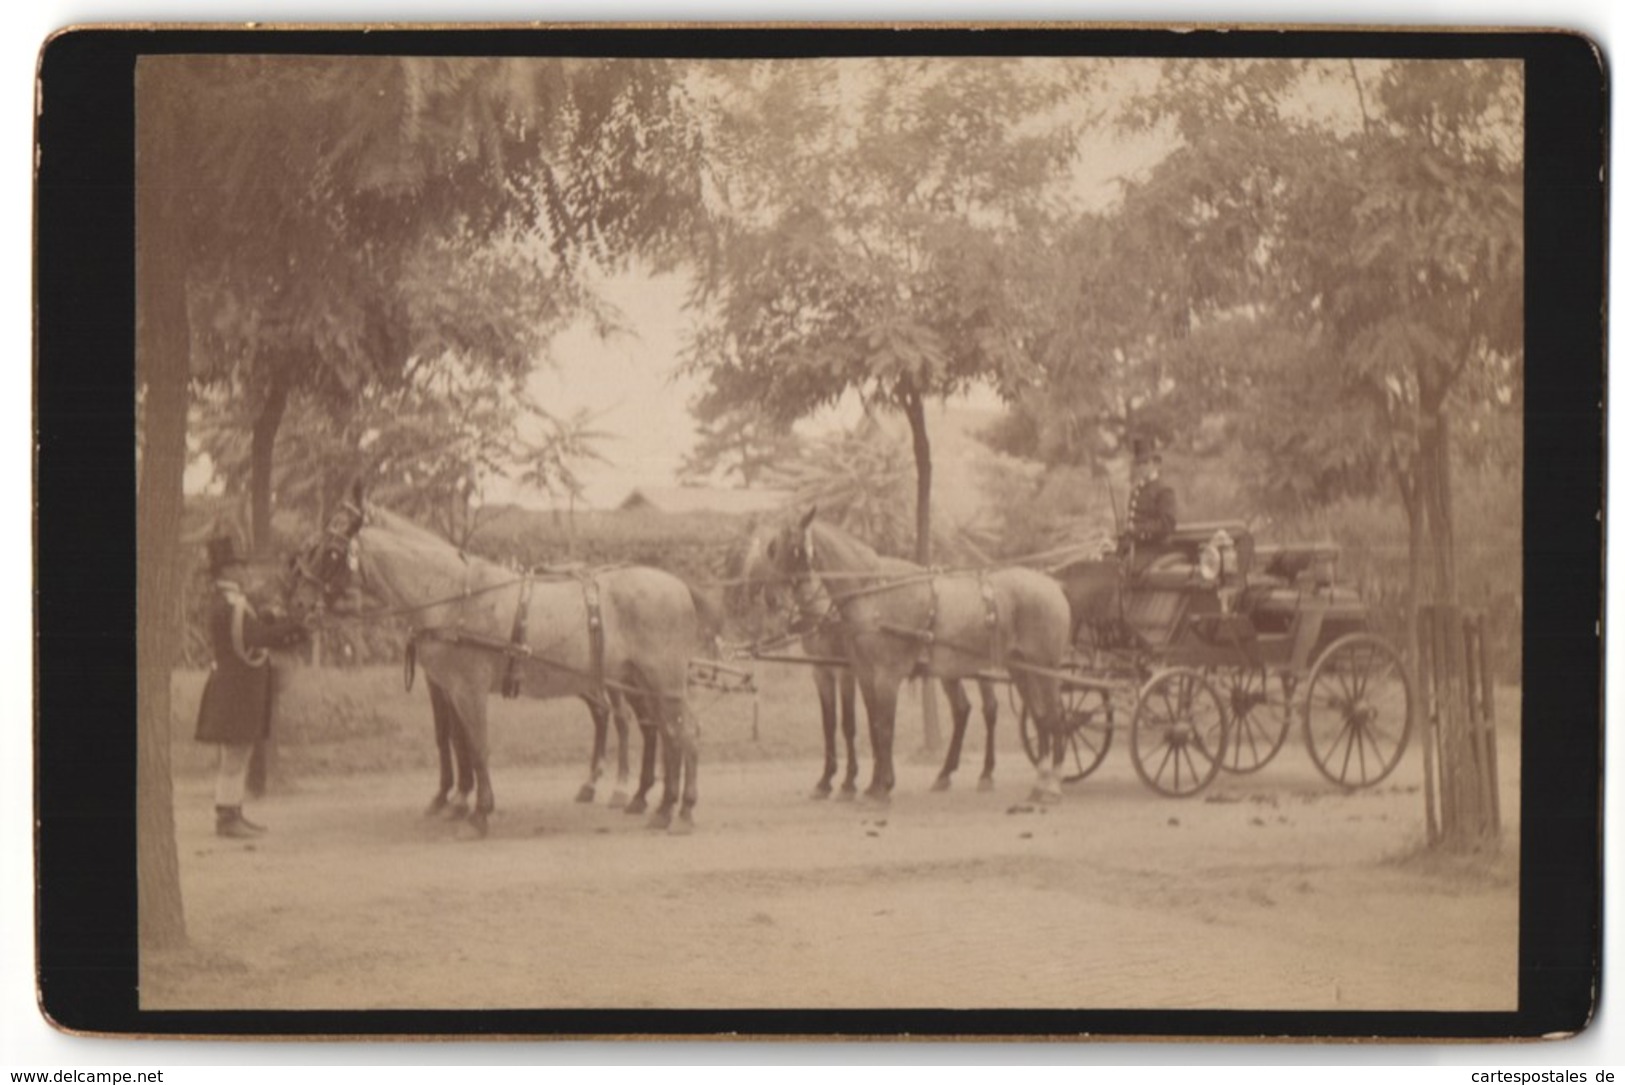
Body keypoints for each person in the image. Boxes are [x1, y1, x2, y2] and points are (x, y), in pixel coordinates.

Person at [195, 536, 306, 839]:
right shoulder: (232, 604)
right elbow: (257, 637)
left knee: (237, 754)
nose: (243, 571)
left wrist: (273, 619)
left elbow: (252, 628)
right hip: (236, 691)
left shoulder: (229, 603)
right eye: (237, 566)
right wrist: (298, 627)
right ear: (225, 572)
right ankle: (228, 818)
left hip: (235, 689)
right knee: (235, 755)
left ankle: (232, 811)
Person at [1119, 438, 1177, 557]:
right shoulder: (1138, 489)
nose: (1142, 467)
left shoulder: (1164, 490)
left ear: (1155, 464)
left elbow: (1166, 525)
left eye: (1145, 462)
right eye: (1139, 463)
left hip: (1154, 550)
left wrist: (1137, 529)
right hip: (1135, 547)